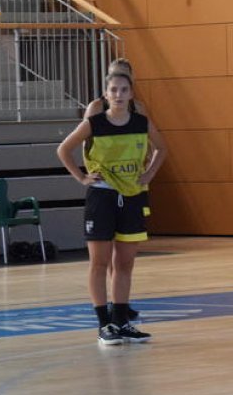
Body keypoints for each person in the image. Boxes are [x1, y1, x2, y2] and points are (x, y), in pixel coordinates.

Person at [58, 71, 166, 346]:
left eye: (123, 90)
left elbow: (161, 149)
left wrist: (149, 175)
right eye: (113, 90)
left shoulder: (142, 122)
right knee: (100, 262)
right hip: (102, 198)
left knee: (125, 263)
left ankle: (122, 321)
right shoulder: (94, 123)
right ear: (106, 95)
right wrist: (82, 177)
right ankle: (104, 325)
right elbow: (64, 149)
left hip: (132, 197)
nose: (118, 95)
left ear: (131, 94)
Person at [83, 57, 149, 323]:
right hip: (104, 185)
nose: (119, 91)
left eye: (125, 81)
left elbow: (151, 144)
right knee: (103, 253)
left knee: (125, 252)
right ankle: (107, 309)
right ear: (107, 84)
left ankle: (121, 304)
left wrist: (147, 168)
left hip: (132, 185)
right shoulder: (96, 108)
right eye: (114, 81)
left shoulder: (140, 110)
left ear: (131, 84)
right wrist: (85, 174)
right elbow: (87, 142)